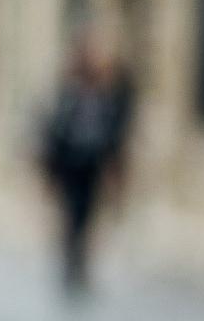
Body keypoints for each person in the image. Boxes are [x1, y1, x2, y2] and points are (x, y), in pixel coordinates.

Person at [37, 28, 134, 296]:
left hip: (91, 164)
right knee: (72, 215)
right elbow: (54, 131)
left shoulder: (106, 95)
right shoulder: (68, 94)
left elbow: (113, 131)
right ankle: (70, 265)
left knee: (87, 215)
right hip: (70, 165)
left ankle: (80, 266)